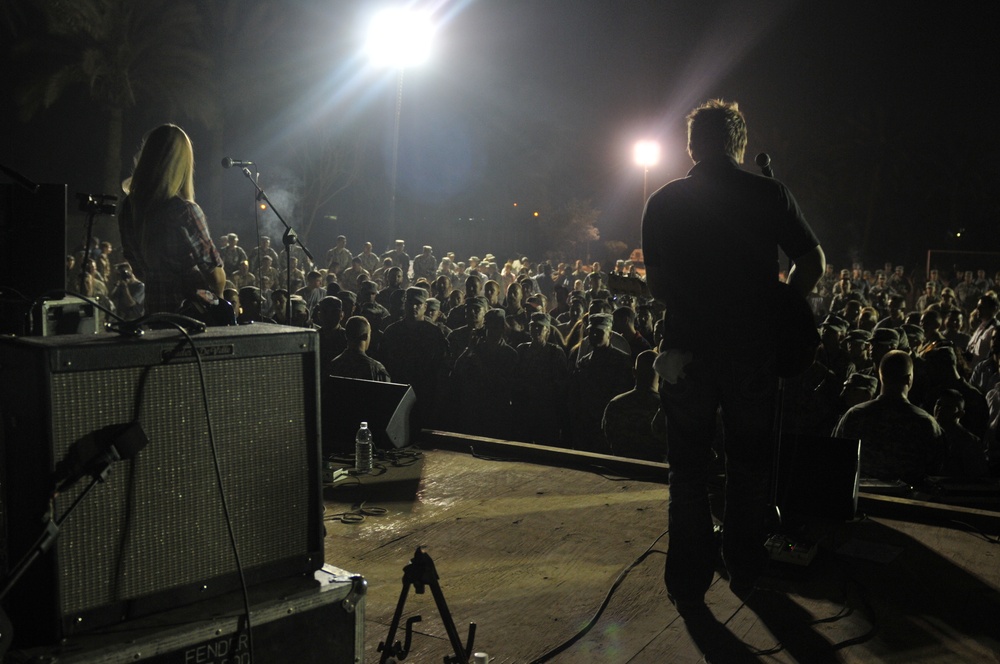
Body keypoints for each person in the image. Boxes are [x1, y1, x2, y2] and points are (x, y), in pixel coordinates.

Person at [641, 100, 825, 608]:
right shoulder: (769, 194)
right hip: (751, 354)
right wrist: (784, 303)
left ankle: (687, 581)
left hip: (685, 355)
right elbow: (813, 260)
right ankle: (743, 568)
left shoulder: (662, 201)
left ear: (691, 145)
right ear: (738, 144)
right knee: (747, 466)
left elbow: (656, 285)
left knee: (688, 472)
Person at [118, 124, 225, 315]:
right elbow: (215, 277)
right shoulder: (184, 211)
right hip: (192, 320)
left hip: (155, 316)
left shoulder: (129, 208)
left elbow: (139, 272)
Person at [833, 350, 946, 483]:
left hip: (863, 498)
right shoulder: (925, 422)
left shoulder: (854, 415)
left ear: (881, 376)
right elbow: (936, 468)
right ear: (909, 378)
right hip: (906, 500)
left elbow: (836, 459)